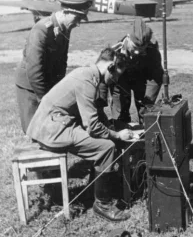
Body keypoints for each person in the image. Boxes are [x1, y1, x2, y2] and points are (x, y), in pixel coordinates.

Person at [26, 47, 133, 222]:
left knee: (102, 143)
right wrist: (117, 135)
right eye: (116, 76)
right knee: (106, 147)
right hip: (52, 130)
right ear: (110, 67)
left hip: (51, 124)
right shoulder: (87, 82)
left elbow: (93, 113)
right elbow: (93, 127)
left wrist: (110, 126)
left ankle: (93, 189)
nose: (115, 80)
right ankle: (102, 204)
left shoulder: (87, 74)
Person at [15, 0, 92, 133]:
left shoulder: (64, 29)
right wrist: (44, 99)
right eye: (77, 18)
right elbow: (34, 69)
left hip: (47, 84)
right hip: (31, 87)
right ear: (66, 12)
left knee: (50, 129)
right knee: (33, 130)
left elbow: (61, 63)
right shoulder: (42, 29)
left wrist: (58, 90)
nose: (78, 24)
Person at [109, 18, 164, 124]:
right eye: (134, 47)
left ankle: (145, 134)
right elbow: (106, 75)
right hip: (120, 81)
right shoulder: (115, 49)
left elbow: (156, 78)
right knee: (120, 111)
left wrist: (147, 103)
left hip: (141, 79)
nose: (137, 52)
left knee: (145, 112)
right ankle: (121, 132)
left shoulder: (152, 51)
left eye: (142, 49)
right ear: (128, 38)